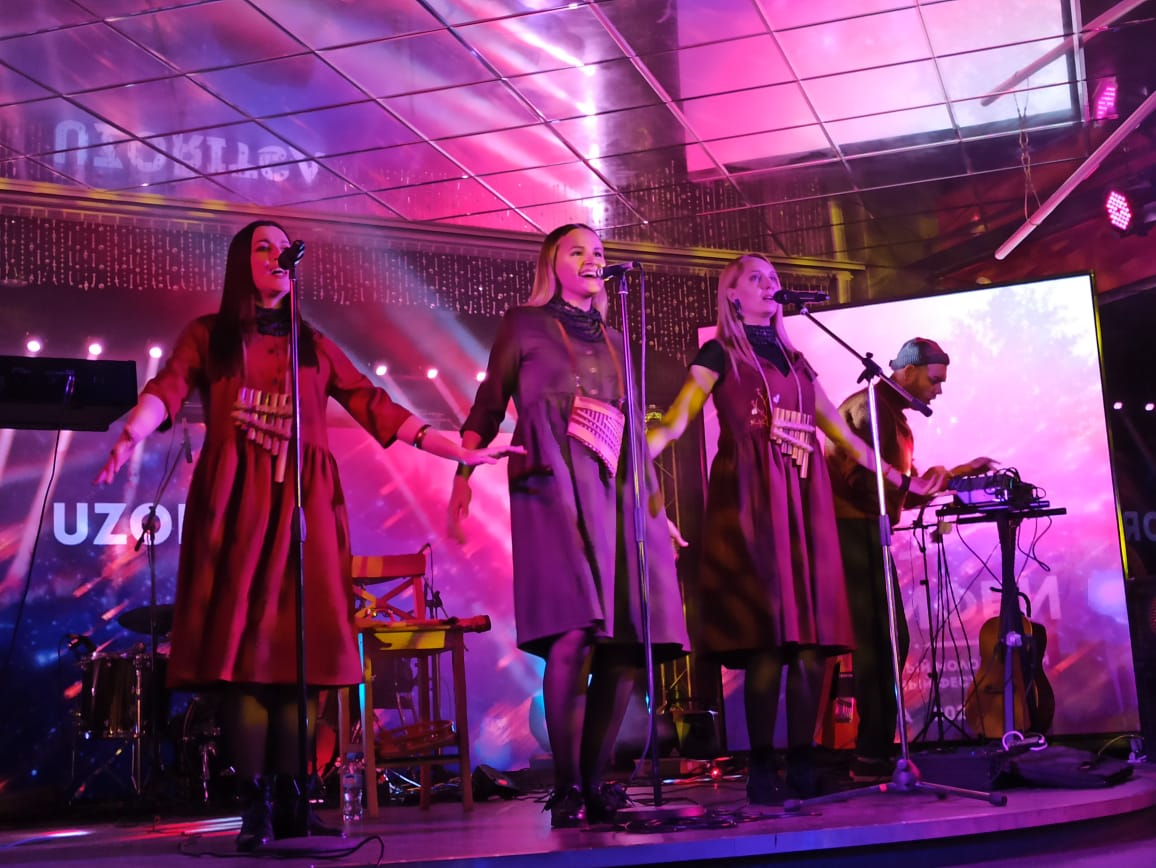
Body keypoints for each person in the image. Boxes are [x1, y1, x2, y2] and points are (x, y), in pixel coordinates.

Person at [96, 220, 516, 851]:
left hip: (306, 508)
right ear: (241, 263)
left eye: (281, 247)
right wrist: (134, 427)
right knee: (247, 662)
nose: (276, 255)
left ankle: (295, 799)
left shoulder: (312, 345)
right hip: (238, 507)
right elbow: (169, 387)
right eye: (262, 247)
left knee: (304, 662)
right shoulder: (209, 336)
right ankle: (257, 804)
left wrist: (452, 448)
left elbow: (373, 404)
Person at [646, 254, 944, 805]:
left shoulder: (795, 359)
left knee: (811, 643)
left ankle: (803, 762)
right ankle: (762, 765)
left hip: (805, 499)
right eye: (755, 278)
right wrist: (643, 448)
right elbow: (681, 415)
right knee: (767, 642)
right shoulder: (719, 353)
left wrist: (901, 478)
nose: (769, 285)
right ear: (732, 295)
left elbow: (841, 433)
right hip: (751, 499)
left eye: (774, 278)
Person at [447, 223, 689, 828]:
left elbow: (634, 436)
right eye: (577, 250)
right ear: (551, 263)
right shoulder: (522, 325)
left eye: (598, 252)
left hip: (618, 493)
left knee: (626, 642)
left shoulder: (617, 339)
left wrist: (659, 513)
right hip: (551, 488)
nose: (591, 259)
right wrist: (462, 474)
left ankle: (598, 780)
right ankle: (567, 786)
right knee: (573, 633)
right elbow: (488, 406)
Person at [825, 337, 993, 783]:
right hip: (849, 532)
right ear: (909, 371)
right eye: (934, 380)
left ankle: (876, 750)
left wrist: (953, 476)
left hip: (866, 531)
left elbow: (901, 489)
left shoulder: (892, 417)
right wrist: (914, 484)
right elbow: (863, 481)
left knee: (888, 639)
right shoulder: (868, 409)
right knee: (876, 641)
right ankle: (870, 754)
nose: (938, 390)